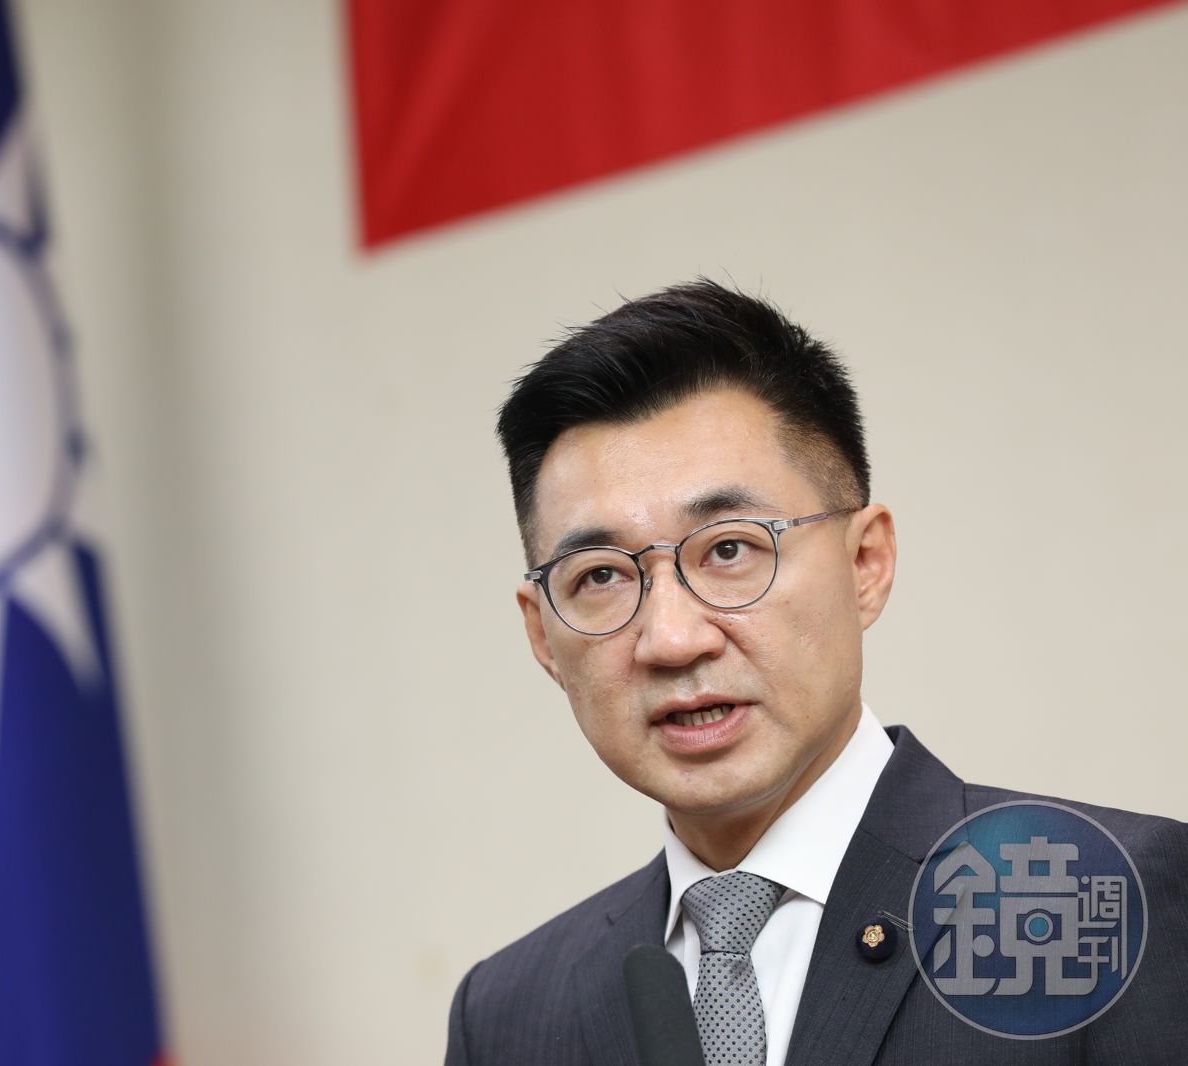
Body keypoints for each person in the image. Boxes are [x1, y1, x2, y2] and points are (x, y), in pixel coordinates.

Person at [445, 279, 1187, 1066]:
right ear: (542, 634)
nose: (671, 639)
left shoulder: (1101, 907)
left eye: (730, 549)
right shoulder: (508, 1015)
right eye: (600, 575)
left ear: (866, 563)